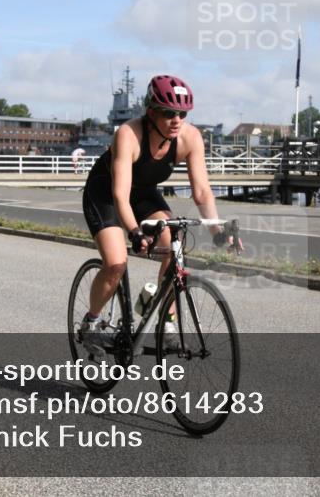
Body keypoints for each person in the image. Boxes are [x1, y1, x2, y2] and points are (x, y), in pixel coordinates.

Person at [80, 75, 236, 351]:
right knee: (116, 262)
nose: (176, 120)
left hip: (143, 194)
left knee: (173, 247)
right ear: (151, 112)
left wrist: (217, 231)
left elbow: (201, 192)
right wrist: (135, 231)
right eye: (168, 113)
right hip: (105, 194)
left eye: (182, 113)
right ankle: (91, 323)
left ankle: (166, 320)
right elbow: (119, 195)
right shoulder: (129, 134)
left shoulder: (190, 137)